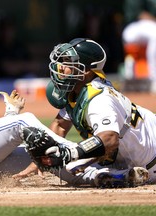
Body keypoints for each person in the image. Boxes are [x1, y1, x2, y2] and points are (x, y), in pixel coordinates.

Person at [15, 38, 156, 188]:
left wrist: (72, 152)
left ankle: (118, 175)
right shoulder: (77, 90)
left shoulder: (99, 99)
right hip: (137, 157)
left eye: (67, 63)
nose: (60, 67)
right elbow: (59, 126)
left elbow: (110, 139)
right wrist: (38, 161)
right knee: (67, 161)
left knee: (70, 162)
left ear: (85, 71)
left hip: (151, 161)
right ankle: (120, 175)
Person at [122, 0, 156, 91]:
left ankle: (132, 64)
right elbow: (142, 15)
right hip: (132, 28)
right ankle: (154, 78)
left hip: (147, 29)